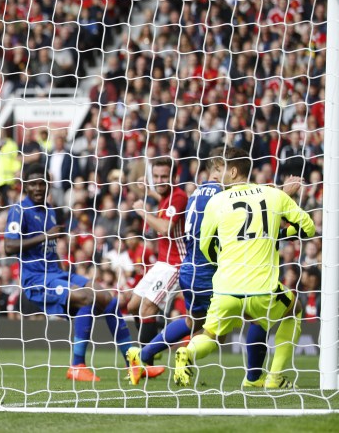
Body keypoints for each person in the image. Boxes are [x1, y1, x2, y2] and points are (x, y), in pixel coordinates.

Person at [174, 147, 315, 388]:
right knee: (294, 309)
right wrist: (278, 234)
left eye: (220, 170)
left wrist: (223, 257)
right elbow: (308, 228)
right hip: (262, 287)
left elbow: (207, 246)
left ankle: (187, 352)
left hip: (226, 288)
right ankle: (274, 377)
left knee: (209, 335)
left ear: (234, 170)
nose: (218, 176)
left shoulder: (217, 201)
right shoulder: (273, 195)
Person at [4, 164, 132, 382]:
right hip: (36, 279)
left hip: (58, 274)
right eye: (33, 183)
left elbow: (51, 249)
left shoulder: (51, 211)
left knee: (107, 298)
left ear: (48, 185)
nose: (37, 188)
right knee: (86, 298)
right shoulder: (19, 210)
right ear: (25, 186)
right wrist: (46, 236)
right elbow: (8, 246)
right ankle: (77, 365)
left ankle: (133, 363)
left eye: (42, 183)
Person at [128, 157, 188, 379]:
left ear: (173, 177)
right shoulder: (165, 197)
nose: (161, 181)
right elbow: (162, 201)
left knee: (147, 310)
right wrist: (148, 190)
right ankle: (153, 340)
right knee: (133, 305)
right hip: (162, 262)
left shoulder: (179, 197)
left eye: (165, 177)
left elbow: (165, 227)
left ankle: (146, 363)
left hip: (176, 265)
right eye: (158, 177)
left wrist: (143, 211)